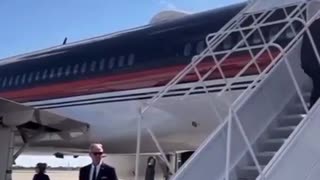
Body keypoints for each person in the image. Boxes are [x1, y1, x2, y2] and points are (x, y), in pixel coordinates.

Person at [301, 18, 320, 108]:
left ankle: (312, 112)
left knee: (317, 88)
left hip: (309, 63)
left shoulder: (313, 25)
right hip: (314, 63)